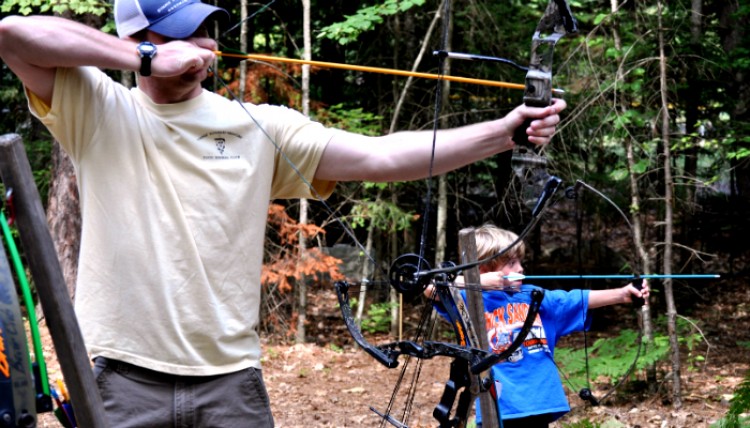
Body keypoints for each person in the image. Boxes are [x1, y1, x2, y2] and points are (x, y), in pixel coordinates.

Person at [0, 1, 567, 426]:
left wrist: (507, 132)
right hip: (120, 379)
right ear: (139, 37)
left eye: (206, 30)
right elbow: (13, 34)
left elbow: (384, 154)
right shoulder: (99, 109)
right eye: (180, 34)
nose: (201, 45)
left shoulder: (259, 124)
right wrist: (147, 58)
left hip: (230, 383)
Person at [426, 224, 649, 428]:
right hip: (499, 405)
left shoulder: (534, 296)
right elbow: (428, 287)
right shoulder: (468, 300)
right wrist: (476, 282)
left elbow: (575, 299)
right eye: (511, 263)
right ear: (485, 268)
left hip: (539, 401)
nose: (521, 268)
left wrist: (623, 294)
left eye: (520, 261)